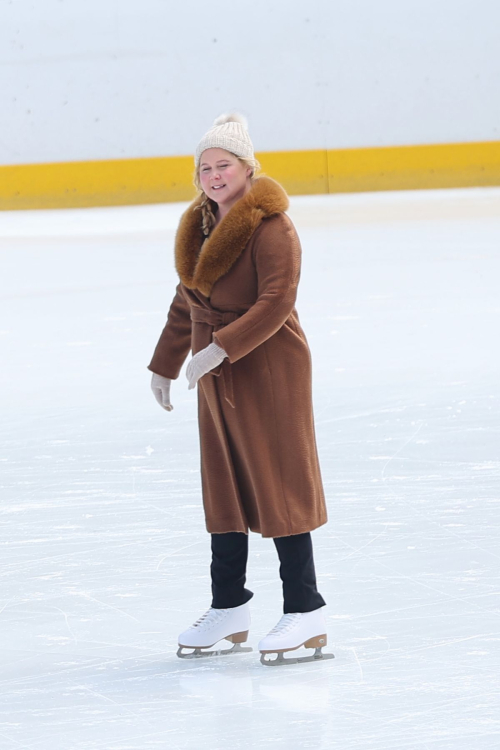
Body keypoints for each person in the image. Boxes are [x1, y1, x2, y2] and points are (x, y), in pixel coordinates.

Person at [148, 113, 332, 666]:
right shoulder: (200, 226)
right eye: (204, 167)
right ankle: (229, 606)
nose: (212, 174)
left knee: (279, 480)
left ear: (247, 167)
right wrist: (165, 361)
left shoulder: (273, 227)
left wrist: (220, 346)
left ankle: (306, 608)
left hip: (268, 363)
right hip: (215, 368)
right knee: (224, 484)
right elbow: (188, 301)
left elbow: (277, 301)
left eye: (222, 164)